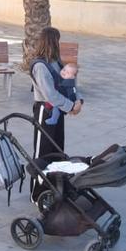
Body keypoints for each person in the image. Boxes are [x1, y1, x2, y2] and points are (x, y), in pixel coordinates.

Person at [30, 27, 83, 165]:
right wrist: (71, 106)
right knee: (43, 150)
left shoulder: (55, 61)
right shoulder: (40, 66)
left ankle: (55, 182)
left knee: (57, 147)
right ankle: (39, 184)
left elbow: (68, 82)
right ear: (52, 42)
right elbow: (50, 95)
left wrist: (78, 100)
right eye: (57, 41)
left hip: (58, 110)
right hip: (45, 111)